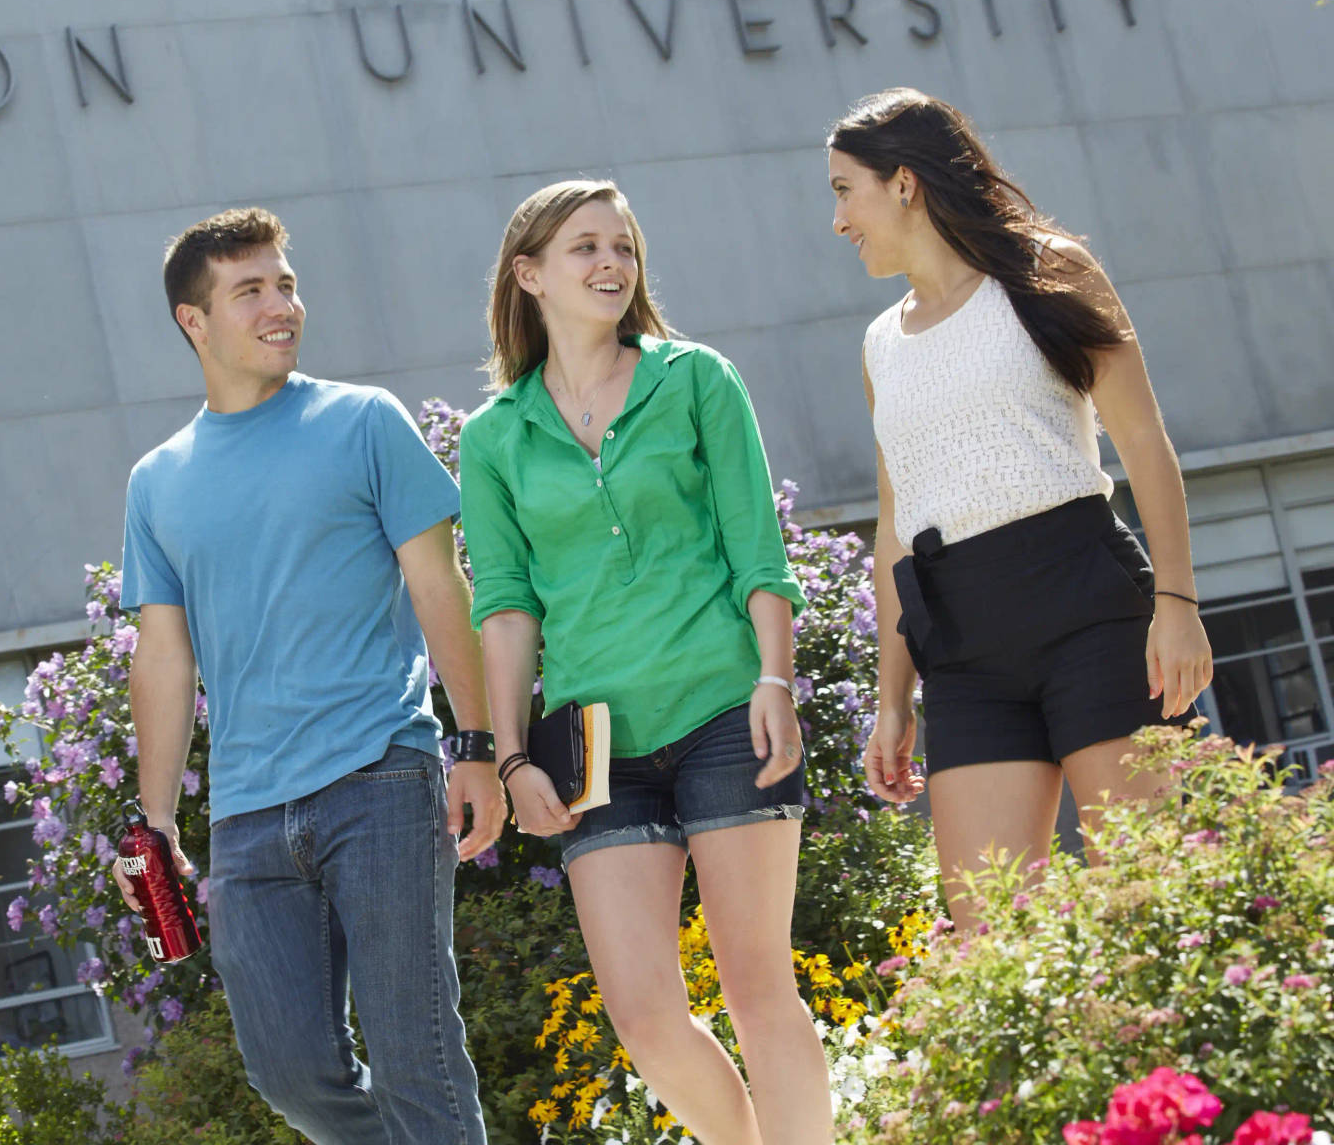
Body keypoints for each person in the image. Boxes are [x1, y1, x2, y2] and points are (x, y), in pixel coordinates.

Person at [111, 207, 503, 1145]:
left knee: (415, 1050)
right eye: (250, 291)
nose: (280, 305)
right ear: (193, 322)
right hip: (248, 815)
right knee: (288, 1071)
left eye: (285, 284)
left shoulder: (362, 420)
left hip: (381, 774)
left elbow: (437, 582)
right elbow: (164, 656)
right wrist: (156, 825)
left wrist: (479, 744)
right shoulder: (157, 481)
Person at [461, 180, 833, 1145]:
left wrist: (776, 681)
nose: (610, 265)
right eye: (583, 247)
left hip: (723, 710)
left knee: (758, 991)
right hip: (594, 746)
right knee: (646, 1019)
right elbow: (505, 609)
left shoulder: (696, 379)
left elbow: (758, 550)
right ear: (529, 274)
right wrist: (510, 756)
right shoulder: (496, 438)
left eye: (622, 246)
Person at [827, 87, 1214, 928]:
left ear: (904, 183)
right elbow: (895, 525)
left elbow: (1145, 443)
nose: (838, 220)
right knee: (990, 936)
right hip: (962, 649)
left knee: (1158, 907)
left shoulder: (1048, 272)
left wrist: (1178, 604)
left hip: (1089, 606)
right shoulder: (879, 345)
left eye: (843, 190)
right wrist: (893, 698)